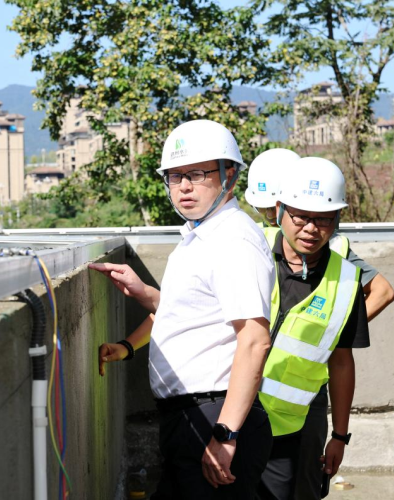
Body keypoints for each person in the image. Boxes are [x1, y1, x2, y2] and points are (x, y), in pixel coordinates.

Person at [91, 119, 275, 499]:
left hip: (215, 416)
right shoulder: (199, 236)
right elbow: (194, 316)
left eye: (197, 174)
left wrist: (225, 434)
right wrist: (142, 301)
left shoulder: (233, 240)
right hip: (189, 417)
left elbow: (255, 340)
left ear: (230, 175)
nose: (184, 186)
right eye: (175, 176)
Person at [247, 150, 394, 499]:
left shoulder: (345, 280)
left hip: (298, 418)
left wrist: (340, 435)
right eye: (300, 216)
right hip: (231, 407)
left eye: (324, 219)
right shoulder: (251, 249)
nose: (311, 228)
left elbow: (342, 362)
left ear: (338, 218)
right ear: (280, 210)